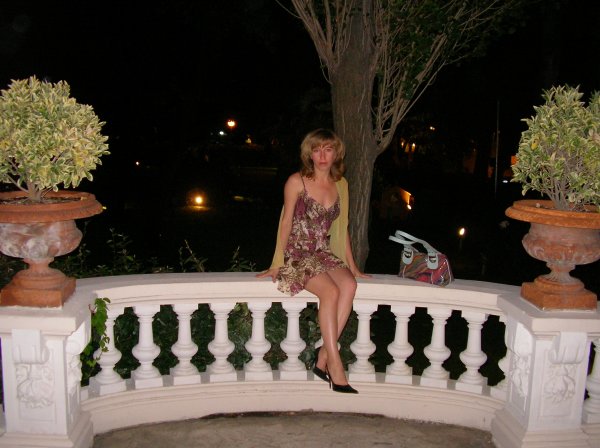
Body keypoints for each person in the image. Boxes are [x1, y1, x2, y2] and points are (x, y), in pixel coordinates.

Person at [256, 128, 369, 394]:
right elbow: (285, 222)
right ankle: (335, 364)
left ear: (336, 153)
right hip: (297, 251)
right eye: (316, 150)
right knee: (330, 292)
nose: (322, 155)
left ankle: (323, 355)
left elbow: (342, 227)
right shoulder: (297, 181)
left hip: (322, 251)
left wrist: (352, 265)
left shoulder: (341, 184)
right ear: (309, 153)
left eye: (328, 149)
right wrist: (277, 262)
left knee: (349, 285)